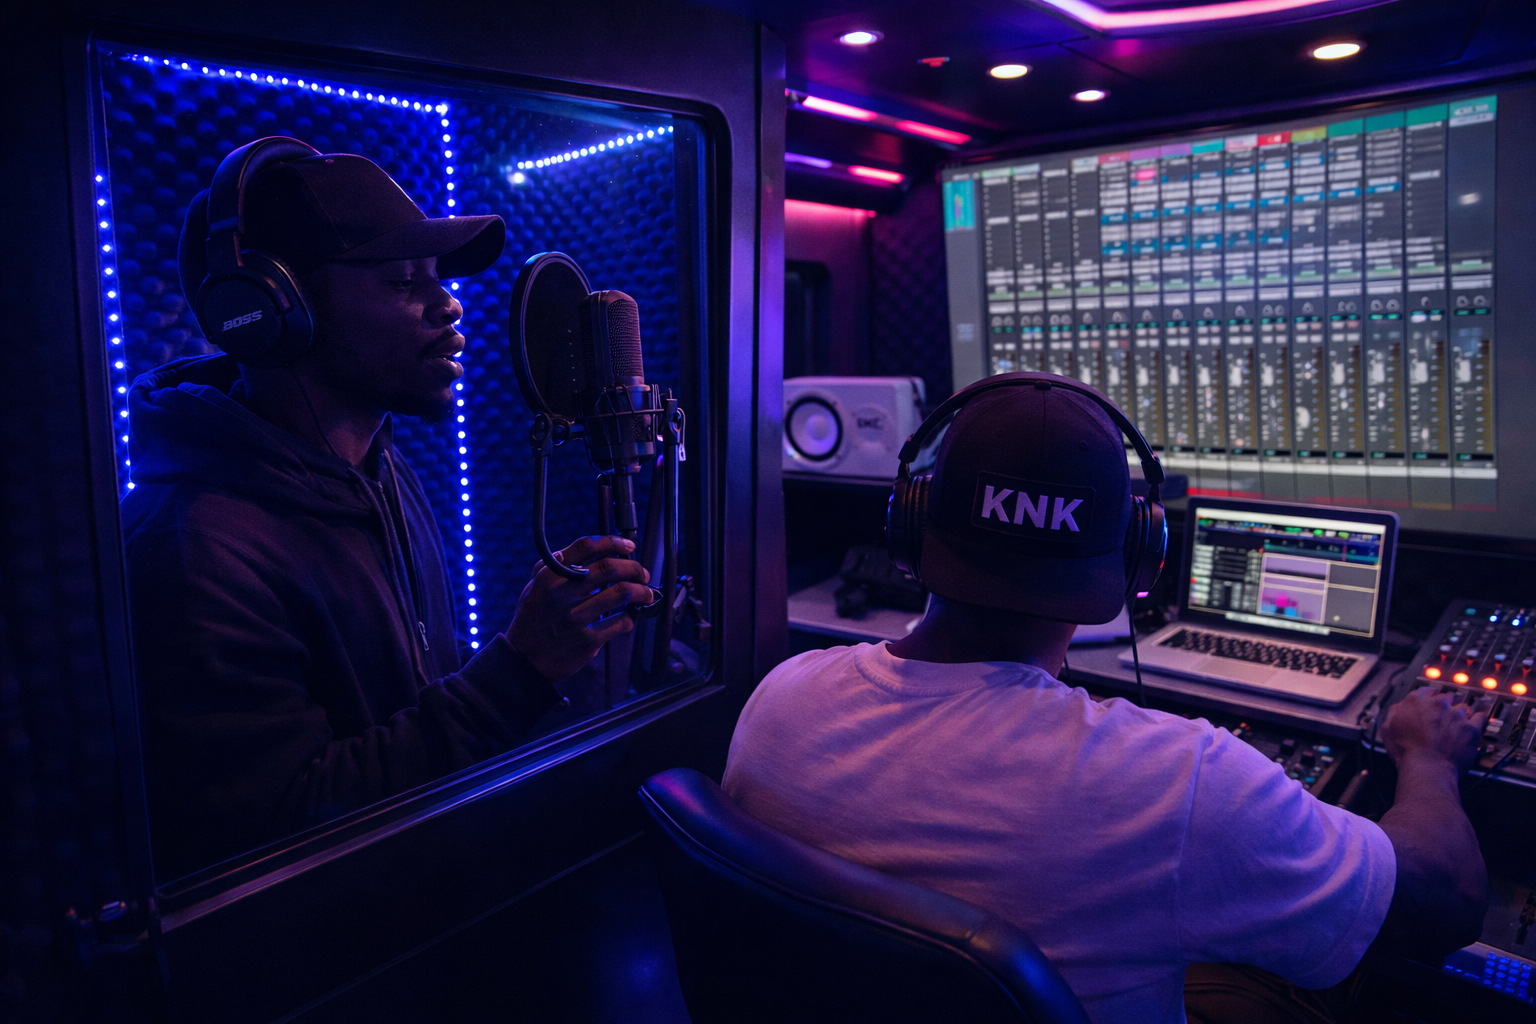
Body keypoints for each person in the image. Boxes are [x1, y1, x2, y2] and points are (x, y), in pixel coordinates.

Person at [723, 378, 1487, 1024]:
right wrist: (1427, 758)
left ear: (911, 523)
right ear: (1135, 557)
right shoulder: (1183, 780)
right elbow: (1443, 905)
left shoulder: (781, 695)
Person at [124, 142, 652, 879]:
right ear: (276, 310)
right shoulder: (195, 546)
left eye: (436, 277)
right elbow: (277, 833)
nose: (448, 303)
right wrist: (519, 669)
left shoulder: (381, 471)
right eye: (404, 280)